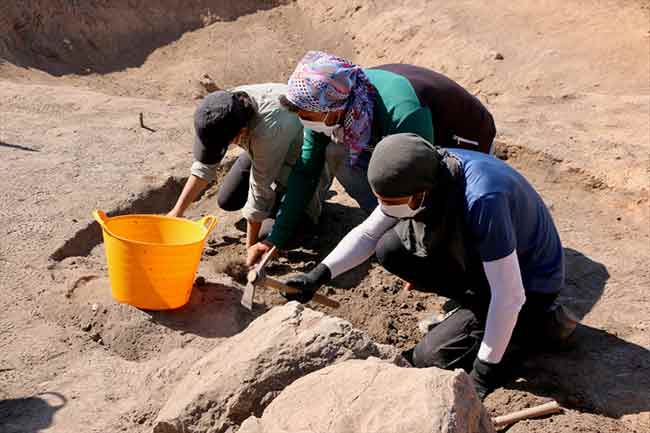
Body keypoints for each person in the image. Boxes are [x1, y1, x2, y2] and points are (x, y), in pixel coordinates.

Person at [282, 133, 577, 399]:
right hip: (485, 265)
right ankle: (475, 311)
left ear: (422, 192)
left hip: (529, 283)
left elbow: (509, 294)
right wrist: (318, 275)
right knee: (391, 248)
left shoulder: (484, 199)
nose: (387, 208)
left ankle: (535, 327)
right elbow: (369, 234)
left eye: (393, 201)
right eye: (382, 201)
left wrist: (483, 375)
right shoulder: (428, 168)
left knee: (428, 356)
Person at [247, 50, 496, 266]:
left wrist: (426, 249)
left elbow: (429, 180)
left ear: (332, 108)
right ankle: (388, 221)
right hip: (401, 131)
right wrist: (275, 239)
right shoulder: (337, 100)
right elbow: (305, 172)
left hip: (462, 137)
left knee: (446, 200)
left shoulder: (402, 114)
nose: (306, 122)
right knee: (340, 154)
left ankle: (444, 251)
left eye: (308, 116)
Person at [168, 84, 330, 248]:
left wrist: (250, 249)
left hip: (303, 161)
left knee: (267, 236)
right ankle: (277, 200)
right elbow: (205, 164)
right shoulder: (222, 106)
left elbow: (260, 188)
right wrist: (177, 212)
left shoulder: (267, 131)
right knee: (228, 200)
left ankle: (308, 202)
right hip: (265, 147)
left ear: (242, 132)